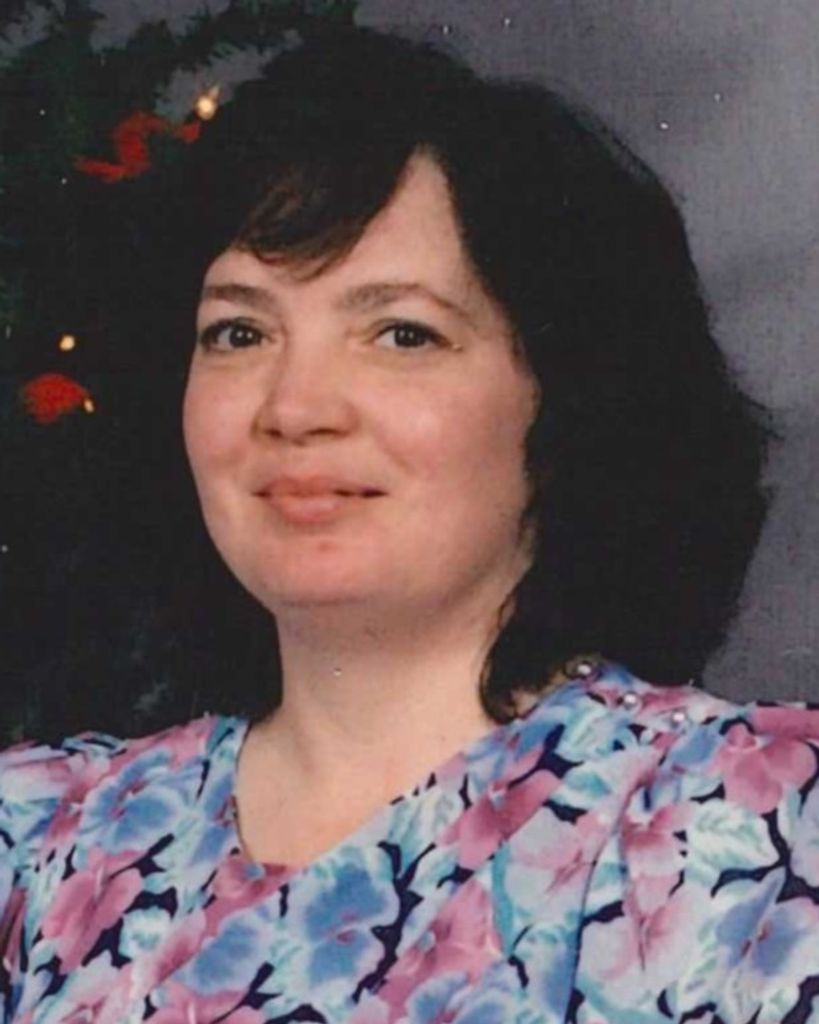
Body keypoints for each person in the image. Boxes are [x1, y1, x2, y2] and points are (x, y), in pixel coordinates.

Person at [2, 23, 818, 1024]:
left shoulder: (757, 829)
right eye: (239, 331)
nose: (294, 406)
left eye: (401, 333)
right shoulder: (39, 845)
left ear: (572, 399)